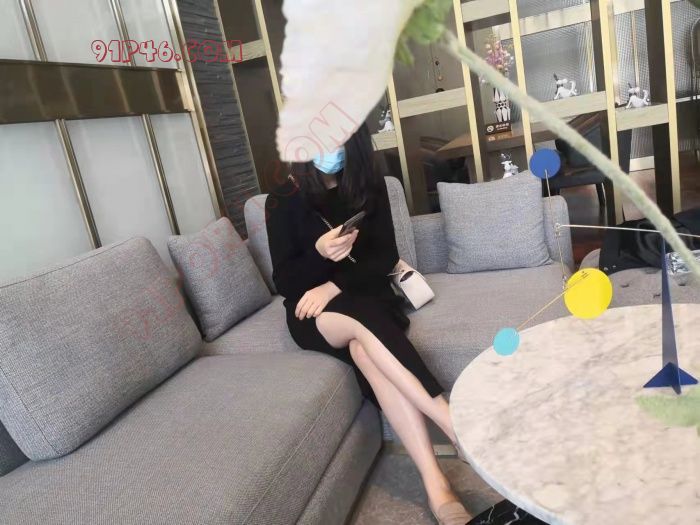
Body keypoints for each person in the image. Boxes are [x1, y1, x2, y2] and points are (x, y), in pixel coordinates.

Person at [265, 124, 470, 525]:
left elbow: (384, 257)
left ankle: (436, 485)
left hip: (366, 297)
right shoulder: (282, 199)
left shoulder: (369, 185)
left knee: (364, 350)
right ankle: (455, 425)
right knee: (361, 322)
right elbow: (285, 281)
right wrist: (319, 254)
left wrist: (333, 284)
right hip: (314, 313)